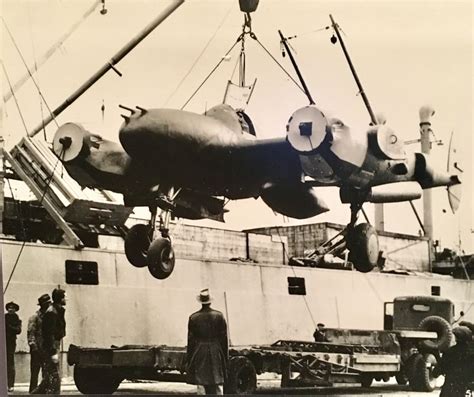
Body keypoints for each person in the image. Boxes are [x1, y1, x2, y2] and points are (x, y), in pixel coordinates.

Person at [186, 288, 228, 395]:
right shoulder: (219, 316)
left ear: (201, 302)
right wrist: (224, 356)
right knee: (218, 381)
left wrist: (190, 358)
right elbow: (224, 338)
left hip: (200, 351)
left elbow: (191, 341)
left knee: (201, 382)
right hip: (215, 349)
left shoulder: (193, 317)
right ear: (210, 301)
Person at [32, 288, 67, 395]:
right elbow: (48, 333)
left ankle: (36, 393)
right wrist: (52, 352)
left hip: (54, 344)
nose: (66, 299)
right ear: (60, 299)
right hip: (51, 346)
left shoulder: (57, 310)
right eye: (64, 297)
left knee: (49, 374)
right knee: (54, 374)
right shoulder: (52, 312)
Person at [434, 325, 474, 397]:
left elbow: (438, 370)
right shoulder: (471, 353)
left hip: (450, 388)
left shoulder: (449, 352)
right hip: (466, 388)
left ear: (457, 338)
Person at [27, 293, 52, 393]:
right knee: (34, 373)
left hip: (47, 349)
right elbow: (31, 333)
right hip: (37, 349)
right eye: (47, 303)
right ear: (42, 305)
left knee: (46, 373)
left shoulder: (49, 317)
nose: (49, 305)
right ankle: (32, 391)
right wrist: (33, 347)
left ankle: (44, 391)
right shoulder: (34, 317)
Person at [5, 301, 22, 392]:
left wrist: (8, 327)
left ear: (15, 310)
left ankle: (10, 385)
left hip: (11, 343)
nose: (10, 309)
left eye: (12, 308)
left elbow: (18, 330)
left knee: (10, 363)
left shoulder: (17, 319)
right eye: (9, 308)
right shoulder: (4, 317)